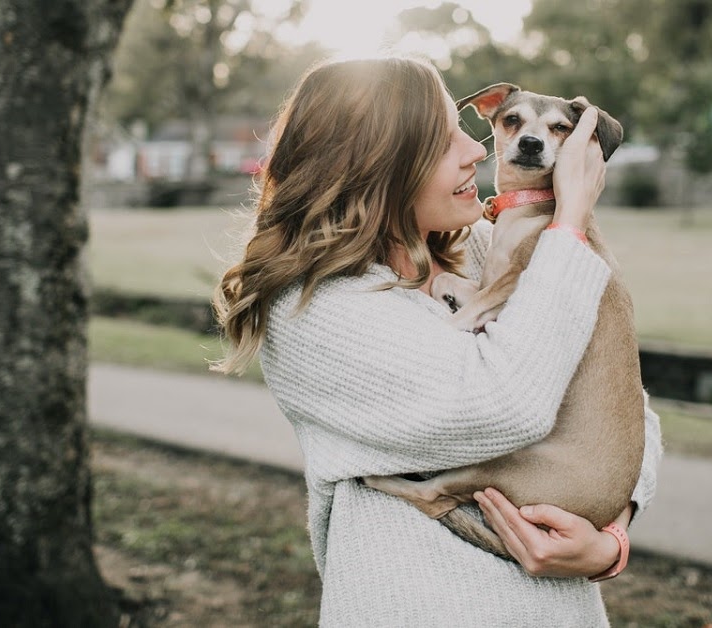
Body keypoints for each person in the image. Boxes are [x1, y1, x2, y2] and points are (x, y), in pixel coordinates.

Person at [212, 54, 663, 627]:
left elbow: (624, 405)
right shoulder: (313, 311)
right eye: (444, 138)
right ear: (378, 164)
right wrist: (570, 220)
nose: (477, 148)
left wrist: (610, 537)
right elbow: (508, 405)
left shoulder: (481, 246)